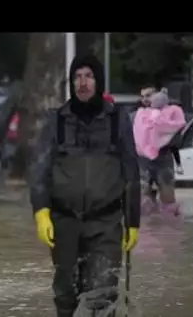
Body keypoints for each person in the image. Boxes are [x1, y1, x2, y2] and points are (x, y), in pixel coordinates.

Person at [29, 54, 141, 317]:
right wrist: (41, 211)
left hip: (106, 224)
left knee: (102, 295)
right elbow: (40, 170)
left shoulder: (117, 120)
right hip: (64, 223)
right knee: (66, 295)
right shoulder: (56, 120)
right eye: (77, 76)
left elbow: (131, 171)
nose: (82, 83)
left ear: (98, 80)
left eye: (89, 76)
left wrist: (133, 221)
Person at [132, 89, 185, 216]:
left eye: (149, 95)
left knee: (157, 203)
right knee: (156, 204)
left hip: (153, 160)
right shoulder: (136, 116)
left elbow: (177, 140)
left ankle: (158, 229)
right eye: (143, 96)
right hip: (151, 160)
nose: (146, 99)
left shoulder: (137, 116)